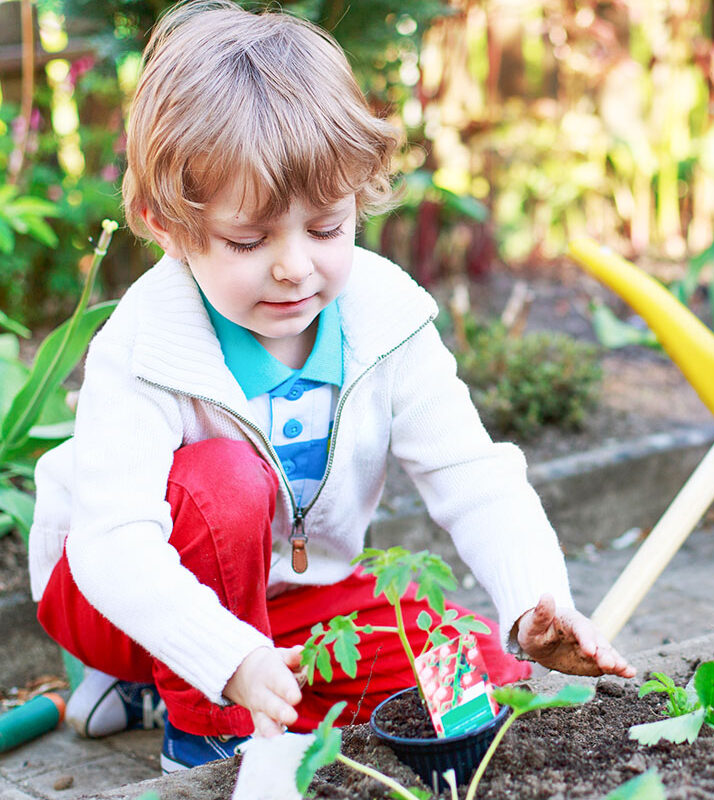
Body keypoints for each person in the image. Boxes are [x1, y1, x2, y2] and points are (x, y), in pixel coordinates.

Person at [29, 0, 634, 774]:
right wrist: (225, 658)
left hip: (294, 604)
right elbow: (115, 548)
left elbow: (471, 476)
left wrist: (533, 604)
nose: (294, 266)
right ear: (167, 225)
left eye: (324, 228)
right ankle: (203, 721)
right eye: (248, 240)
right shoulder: (146, 344)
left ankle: (209, 681)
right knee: (223, 483)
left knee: (478, 675)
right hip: (110, 597)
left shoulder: (385, 320)